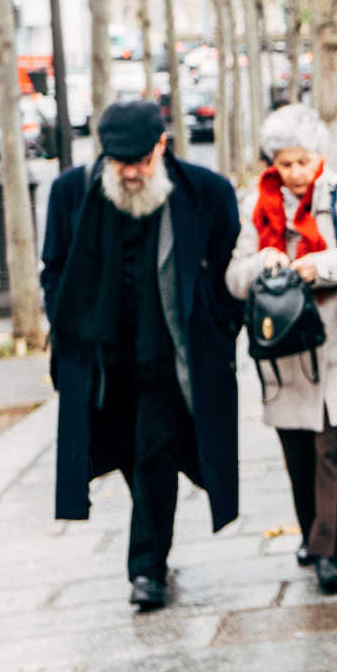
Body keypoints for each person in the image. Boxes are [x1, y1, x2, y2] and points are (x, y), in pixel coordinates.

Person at [41, 101, 243, 610]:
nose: (130, 173)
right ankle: (154, 548)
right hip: (103, 364)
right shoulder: (72, 193)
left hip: (172, 361)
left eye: (139, 161)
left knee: (154, 450)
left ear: (162, 144)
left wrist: (218, 332)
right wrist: (66, 329)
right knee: (129, 455)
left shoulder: (206, 192)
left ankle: (146, 570)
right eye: (118, 162)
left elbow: (226, 273)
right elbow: (54, 268)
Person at [226, 104, 337, 594]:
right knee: (298, 451)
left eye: (304, 162)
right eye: (285, 164)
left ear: (319, 156)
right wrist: (263, 263)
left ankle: (327, 551)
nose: (296, 174)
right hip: (283, 352)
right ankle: (312, 532)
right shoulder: (253, 206)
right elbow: (234, 278)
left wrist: (320, 266)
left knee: (333, 448)